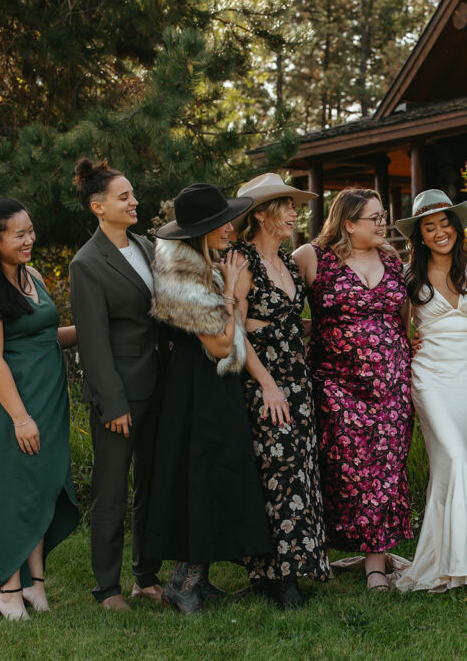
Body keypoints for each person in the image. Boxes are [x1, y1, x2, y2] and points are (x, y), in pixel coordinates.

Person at [144, 183, 272, 613]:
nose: (230, 228)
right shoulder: (184, 276)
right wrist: (233, 291)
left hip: (213, 384)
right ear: (201, 230)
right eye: (221, 223)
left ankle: (194, 578)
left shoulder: (206, 266)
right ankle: (184, 583)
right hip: (196, 385)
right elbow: (218, 345)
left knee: (214, 472)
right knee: (199, 475)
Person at [0, 197, 79, 620]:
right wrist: (20, 417)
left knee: (42, 487)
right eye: (19, 234)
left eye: (31, 230)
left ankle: (37, 588)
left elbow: (47, 335)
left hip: (48, 400)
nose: (30, 239)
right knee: (15, 492)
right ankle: (8, 591)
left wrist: (96, 329)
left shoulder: (32, 276)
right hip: (14, 406)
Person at [294, 188, 413, 592]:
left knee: (386, 469)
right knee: (345, 468)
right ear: (348, 223)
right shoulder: (312, 257)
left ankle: (375, 566)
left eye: (384, 216)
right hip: (336, 383)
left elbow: (404, 317)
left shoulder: (393, 260)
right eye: (375, 218)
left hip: (392, 384)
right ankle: (323, 550)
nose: (384, 224)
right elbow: (279, 304)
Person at [393, 189, 467, 595]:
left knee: (460, 470)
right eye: (430, 226)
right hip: (430, 380)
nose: (440, 232)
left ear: (457, 228)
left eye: (446, 223)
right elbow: (400, 331)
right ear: (420, 236)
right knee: (455, 458)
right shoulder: (409, 278)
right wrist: (411, 346)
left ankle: (446, 559)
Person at [229, 173, 332, 608]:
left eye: (294, 205)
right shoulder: (241, 260)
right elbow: (233, 328)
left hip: (297, 377)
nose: (295, 212)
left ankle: (290, 568)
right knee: (277, 473)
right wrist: (267, 384)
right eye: (286, 206)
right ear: (262, 214)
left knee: (300, 469)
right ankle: (276, 577)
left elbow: (289, 319)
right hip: (263, 380)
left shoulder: (288, 261)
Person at [68, 158, 163, 610]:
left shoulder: (146, 245)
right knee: (111, 492)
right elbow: (93, 342)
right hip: (119, 396)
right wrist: (113, 403)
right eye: (124, 196)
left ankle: (146, 576)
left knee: (151, 486)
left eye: (132, 194)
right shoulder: (86, 264)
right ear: (98, 207)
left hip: (158, 386)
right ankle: (107, 587)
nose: (134, 201)